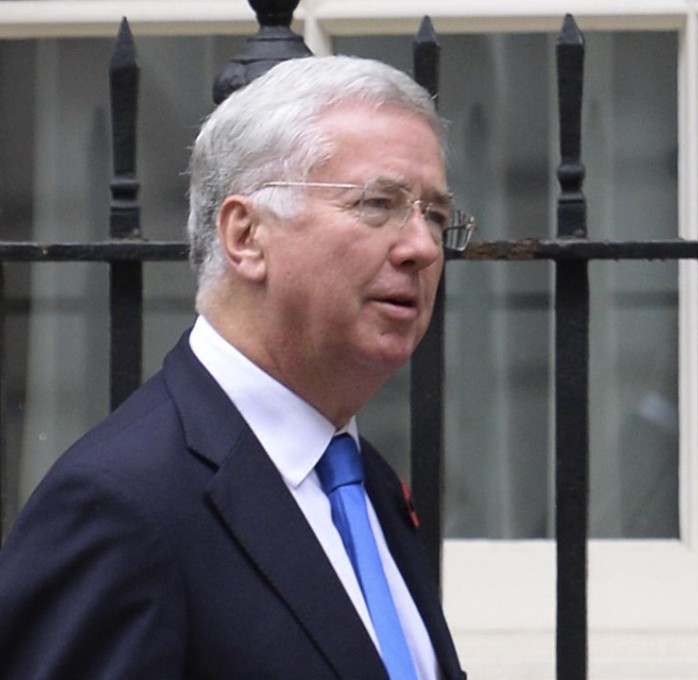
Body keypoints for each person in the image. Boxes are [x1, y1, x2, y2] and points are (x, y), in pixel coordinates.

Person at [0, 55, 473, 680]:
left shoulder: (364, 483)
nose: (421, 247)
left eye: (436, 215)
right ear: (246, 235)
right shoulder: (119, 504)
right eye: (378, 203)